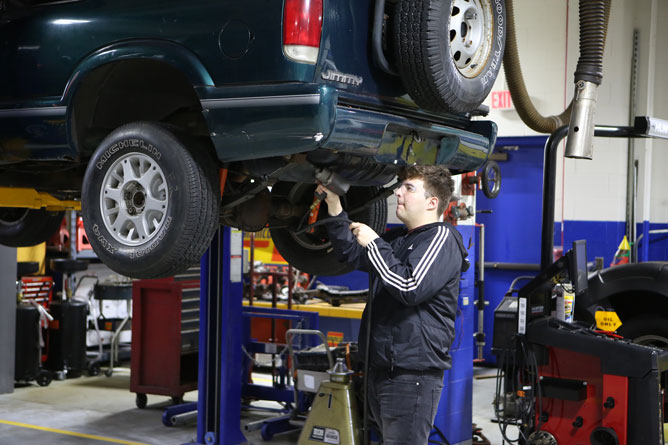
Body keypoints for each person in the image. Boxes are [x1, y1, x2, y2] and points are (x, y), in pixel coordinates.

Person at [315, 165, 469, 445]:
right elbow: (350, 252)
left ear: (432, 202)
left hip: (412, 377)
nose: (398, 192)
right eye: (401, 186)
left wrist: (374, 243)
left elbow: (409, 287)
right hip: (380, 371)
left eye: (409, 188)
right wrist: (335, 207)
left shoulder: (441, 238)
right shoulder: (399, 240)